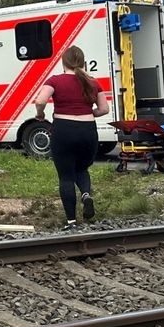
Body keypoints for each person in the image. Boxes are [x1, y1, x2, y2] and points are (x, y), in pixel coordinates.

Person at [33, 45, 110, 229]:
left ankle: (71, 222)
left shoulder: (55, 80)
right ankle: (85, 194)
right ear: (83, 62)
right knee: (82, 169)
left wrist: (40, 114)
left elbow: (40, 100)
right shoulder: (93, 82)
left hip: (64, 130)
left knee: (66, 177)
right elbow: (104, 109)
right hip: (88, 131)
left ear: (63, 62)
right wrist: (88, 113)